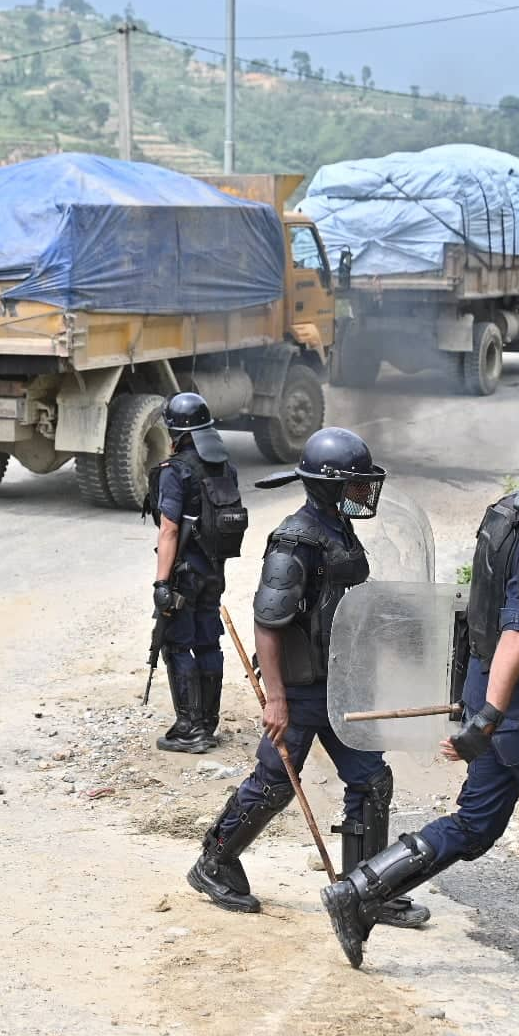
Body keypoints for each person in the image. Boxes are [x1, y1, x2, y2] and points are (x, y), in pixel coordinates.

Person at [320, 398, 519, 1012]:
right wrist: (488, 719)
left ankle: (358, 892)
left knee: (475, 827)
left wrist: (474, 708)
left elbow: (477, 620)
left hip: (499, 700)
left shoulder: (505, 515)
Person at [186, 428, 428, 931]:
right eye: (357, 483)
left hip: (338, 683)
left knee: (371, 781)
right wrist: (276, 699)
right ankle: (214, 862)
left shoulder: (338, 527)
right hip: (299, 690)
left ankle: (369, 889)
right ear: (330, 485)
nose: (365, 492)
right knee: (274, 783)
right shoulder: (295, 540)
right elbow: (268, 623)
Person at [143, 392, 246, 753]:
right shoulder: (224, 467)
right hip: (214, 572)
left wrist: (160, 582)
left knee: (176, 645)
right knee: (207, 642)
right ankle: (208, 723)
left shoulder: (176, 471)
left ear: (176, 430)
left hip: (184, 575)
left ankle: (190, 728)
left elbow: (169, 529)